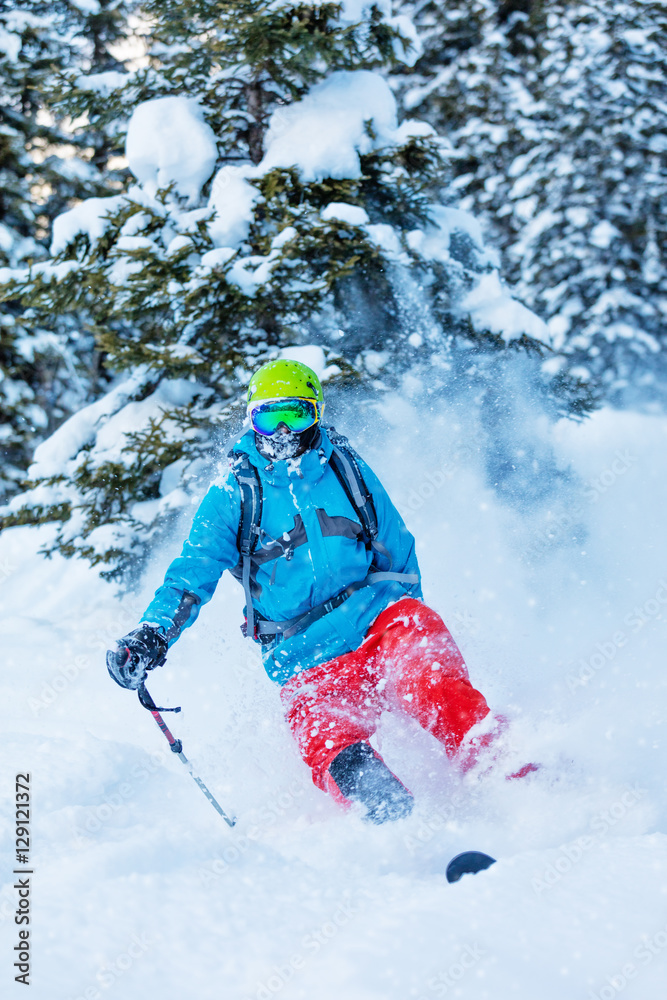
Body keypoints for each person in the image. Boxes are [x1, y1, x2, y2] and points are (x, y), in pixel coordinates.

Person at [107, 359, 532, 824]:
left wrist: (403, 622)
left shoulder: (346, 469)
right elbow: (191, 574)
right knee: (327, 739)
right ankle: (389, 817)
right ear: (252, 422)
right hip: (304, 656)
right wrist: (153, 633)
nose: (283, 431)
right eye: (270, 418)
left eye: (297, 415)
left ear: (317, 415)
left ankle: (506, 771)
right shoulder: (232, 495)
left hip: (378, 624)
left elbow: (395, 547)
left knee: (428, 670)